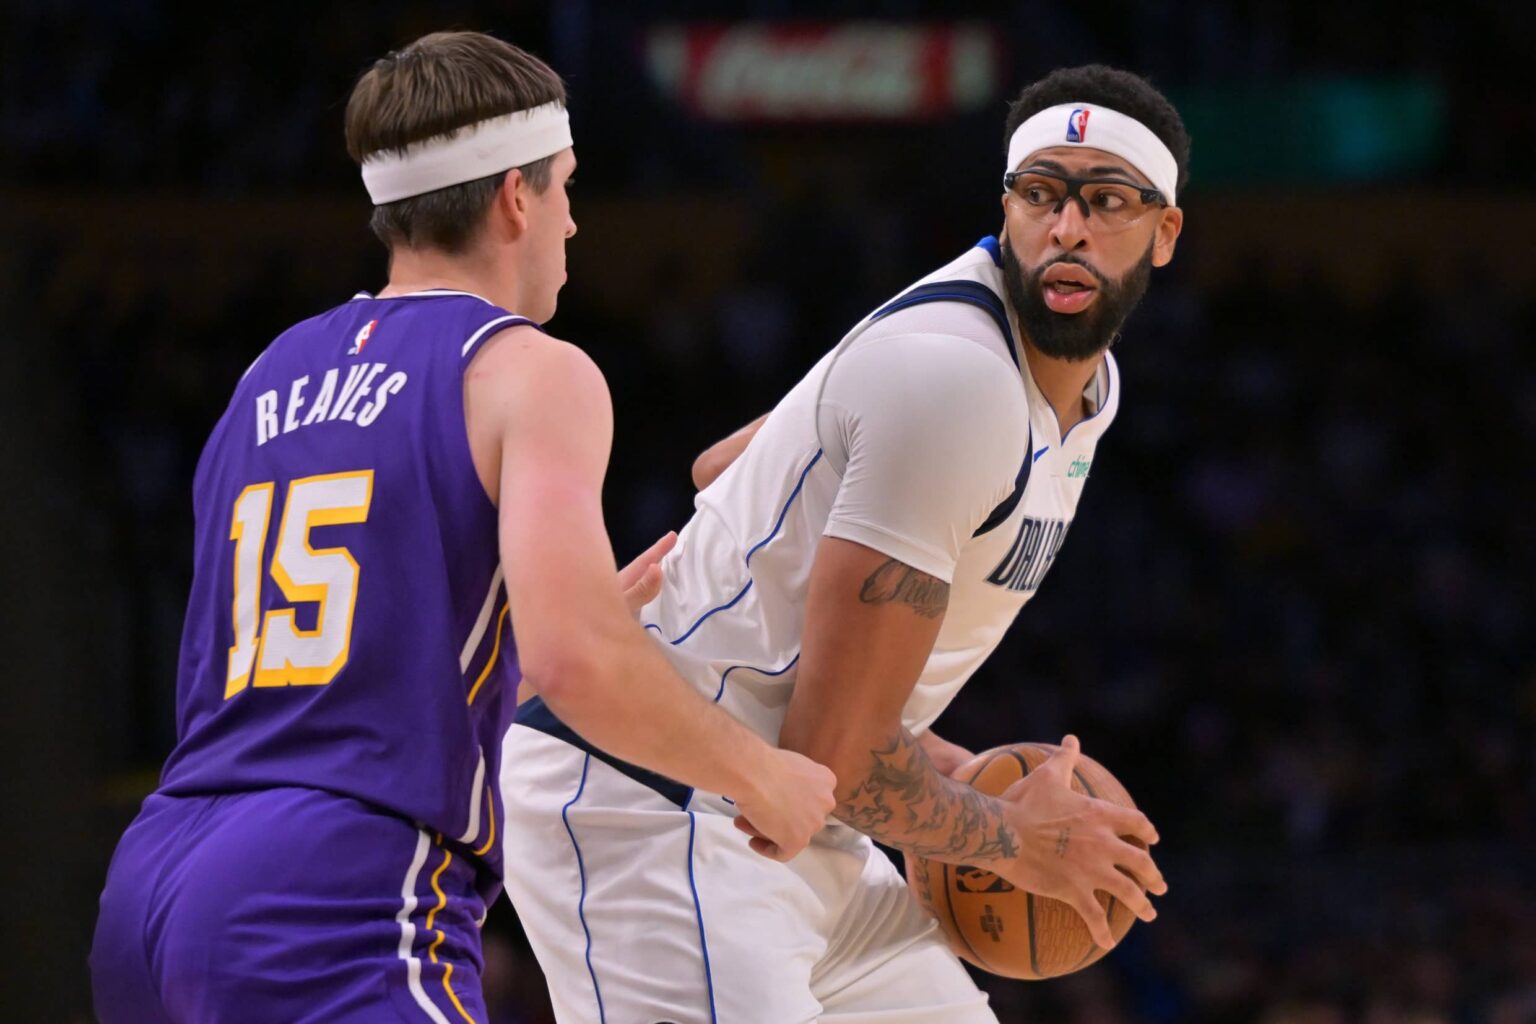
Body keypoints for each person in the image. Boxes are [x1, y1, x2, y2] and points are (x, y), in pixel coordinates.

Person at [88, 31, 835, 1024]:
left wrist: (506, 651)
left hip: (153, 885)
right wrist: (764, 775)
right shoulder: (531, 369)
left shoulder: (267, 376)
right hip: (333, 892)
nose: (573, 222)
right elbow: (584, 666)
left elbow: (317, 679)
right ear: (515, 197)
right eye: (567, 187)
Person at [500, 64, 1187, 1023]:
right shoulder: (956, 378)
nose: (1068, 228)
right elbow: (841, 752)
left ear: (1163, 231)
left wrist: (953, 777)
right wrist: (1015, 840)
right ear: (1007, 208)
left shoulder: (1085, 388)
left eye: (1106, 202)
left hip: (788, 809)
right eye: (1041, 195)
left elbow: (719, 468)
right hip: (657, 794)